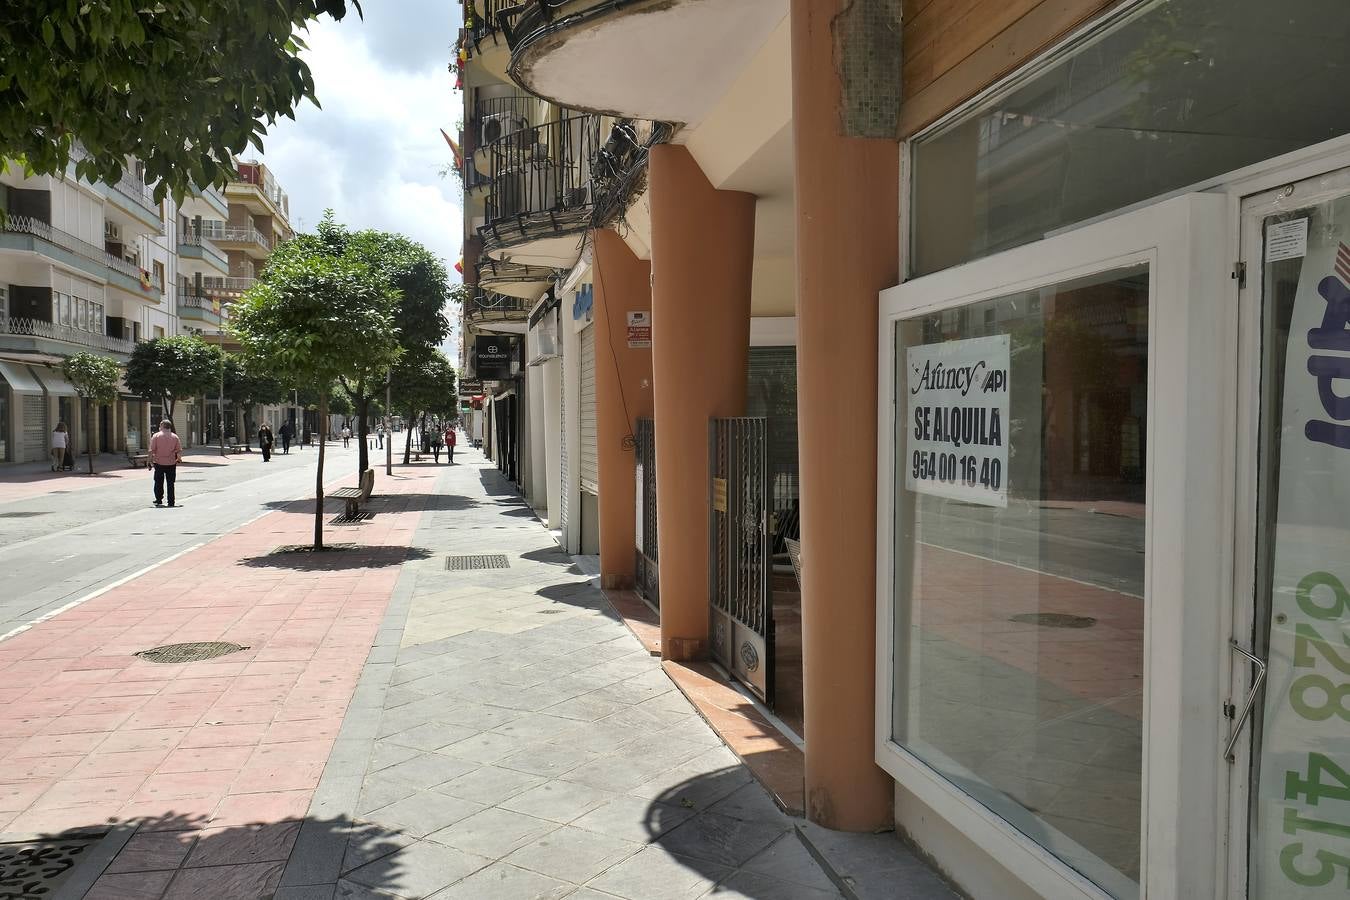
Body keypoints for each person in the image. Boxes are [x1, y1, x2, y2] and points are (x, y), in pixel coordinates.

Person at [149, 419, 183, 507]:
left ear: (162, 426)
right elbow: (178, 451)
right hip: (171, 463)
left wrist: (149, 461)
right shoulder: (175, 437)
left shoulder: (156, 436)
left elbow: (151, 450)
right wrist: (179, 459)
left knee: (158, 482)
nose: (159, 426)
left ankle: (159, 499)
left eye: (160, 425)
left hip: (159, 463)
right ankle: (171, 501)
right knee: (171, 483)